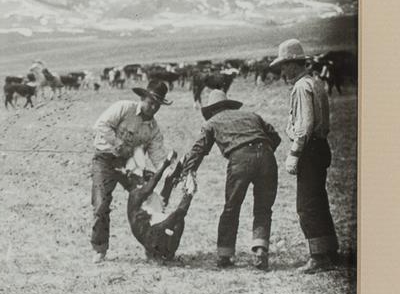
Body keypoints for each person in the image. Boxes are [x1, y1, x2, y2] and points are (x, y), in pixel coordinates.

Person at [181, 72, 283, 270]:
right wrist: (262, 153)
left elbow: (198, 150)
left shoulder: (211, 122)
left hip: (240, 160)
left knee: (231, 207)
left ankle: (225, 255)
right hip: (267, 157)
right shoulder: (252, 115)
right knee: (263, 208)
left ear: (211, 110)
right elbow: (275, 138)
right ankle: (261, 249)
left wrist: (188, 170)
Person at [276, 37, 339, 273]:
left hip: (309, 149)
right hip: (320, 146)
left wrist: (294, 152)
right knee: (319, 201)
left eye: (284, 65)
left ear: (293, 63)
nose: (282, 70)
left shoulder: (302, 87)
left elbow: (305, 125)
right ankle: (330, 250)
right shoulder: (316, 83)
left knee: (307, 205)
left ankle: (318, 256)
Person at [90, 77, 170, 258]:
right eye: (151, 102)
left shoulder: (153, 129)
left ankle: (152, 245)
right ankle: (99, 248)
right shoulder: (124, 108)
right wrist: (116, 142)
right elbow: (100, 125)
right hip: (105, 160)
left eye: (158, 105)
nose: (154, 108)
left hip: (130, 165)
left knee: (149, 201)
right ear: (143, 98)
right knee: (101, 203)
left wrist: (167, 170)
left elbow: (157, 155)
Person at [122, 153, 195, 263]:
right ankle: (189, 194)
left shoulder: (153, 198)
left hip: (156, 235)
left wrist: (180, 166)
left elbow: (168, 183)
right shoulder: (135, 194)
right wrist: (166, 163)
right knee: (177, 215)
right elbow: (152, 184)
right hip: (150, 237)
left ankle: (168, 254)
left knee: (178, 220)